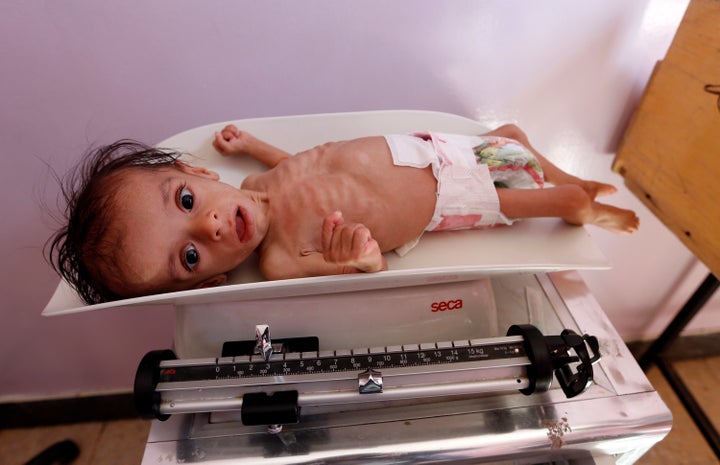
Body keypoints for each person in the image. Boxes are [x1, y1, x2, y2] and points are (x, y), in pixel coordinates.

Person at [47, 124, 638, 305]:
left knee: (508, 140)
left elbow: (303, 161)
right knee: (531, 198)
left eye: (185, 202)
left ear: (198, 173)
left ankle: (566, 176)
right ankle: (575, 200)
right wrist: (357, 257)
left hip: (419, 148)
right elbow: (366, 267)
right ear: (211, 279)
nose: (210, 225)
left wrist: (252, 143)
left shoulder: (258, 180)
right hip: (441, 202)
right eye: (191, 254)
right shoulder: (280, 261)